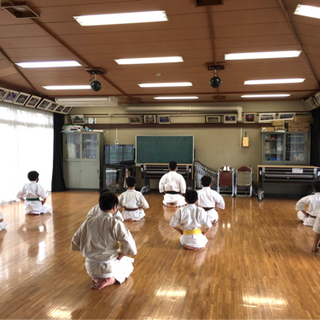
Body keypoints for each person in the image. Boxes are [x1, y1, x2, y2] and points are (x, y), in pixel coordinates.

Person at [71, 192, 137, 290]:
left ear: (99, 206)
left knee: (98, 268)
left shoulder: (88, 222)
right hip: (108, 267)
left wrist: (91, 249)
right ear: (115, 206)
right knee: (128, 265)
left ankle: (97, 278)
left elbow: (75, 242)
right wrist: (121, 254)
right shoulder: (115, 224)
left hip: (90, 266)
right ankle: (111, 280)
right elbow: (130, 248)